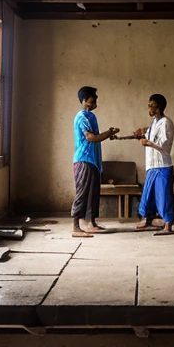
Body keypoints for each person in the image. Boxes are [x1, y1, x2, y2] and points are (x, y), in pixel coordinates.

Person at [72, 86, 120, 238]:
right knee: (83, 193)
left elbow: (97, 137)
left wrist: (107, 134)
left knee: (93, 193)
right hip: (84, 159)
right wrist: (108, 133)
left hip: (93, 161)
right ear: (85, 100)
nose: (95, 101)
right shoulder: (82, 117)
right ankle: (76, 227)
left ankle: (91, 223)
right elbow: (91, 137)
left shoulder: (91, 116)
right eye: (93, 99)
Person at [133, 93, 174, 235]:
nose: (149, 109)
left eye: (152, 106)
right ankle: (147, 219)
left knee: (164, 197)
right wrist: (142, 134)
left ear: (160, 107)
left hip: (163, 166)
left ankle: (168, 225)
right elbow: (151, 135)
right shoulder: (154, 122)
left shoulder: (166, 122)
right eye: (149, 105)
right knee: (148, 195)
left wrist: (148, 143)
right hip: (151, 165)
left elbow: (164, 144)